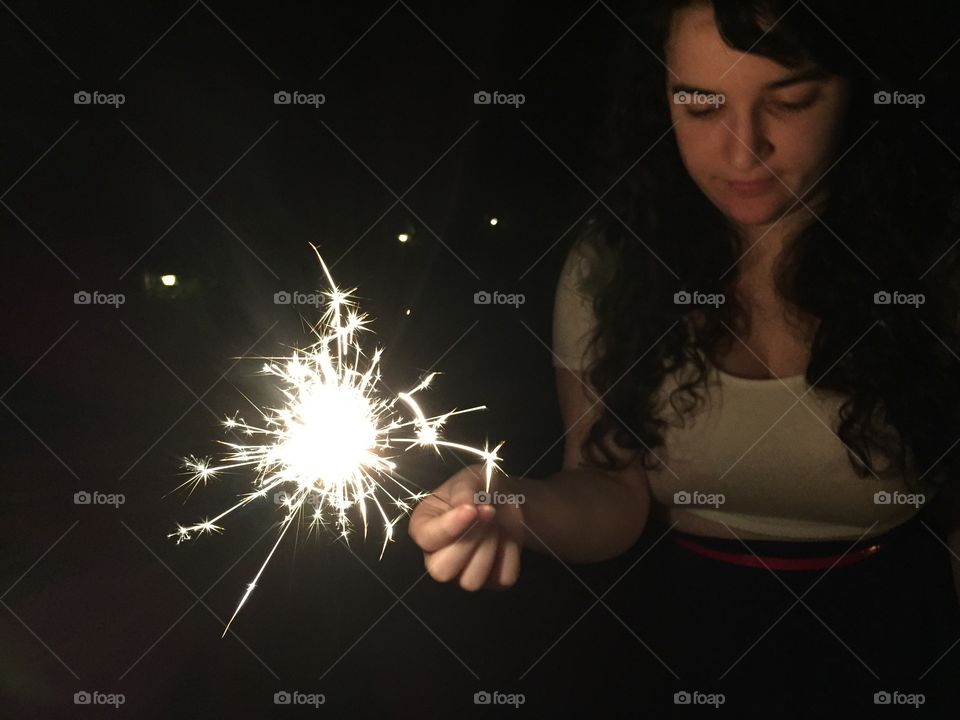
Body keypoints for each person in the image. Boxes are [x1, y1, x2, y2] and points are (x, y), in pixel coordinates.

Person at [409, 0, 960, 711]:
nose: (741, 149)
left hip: (892, 639)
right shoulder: (612, 268)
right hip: (679, 642)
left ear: (856, 87)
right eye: (700, 107)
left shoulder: (936, 271)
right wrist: (514, 507)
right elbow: (610, 492)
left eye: (790, 101)